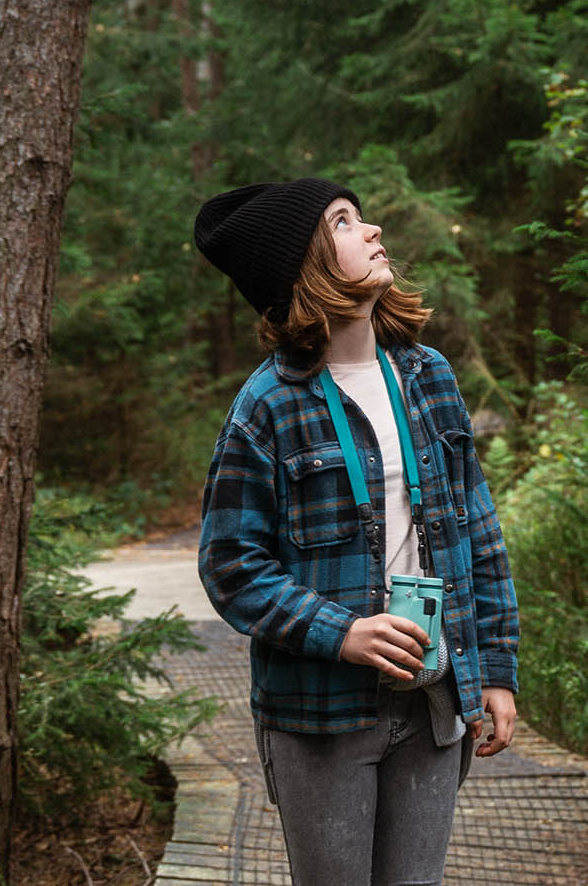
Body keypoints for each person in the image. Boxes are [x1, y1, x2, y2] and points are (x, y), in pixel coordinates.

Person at [193, 177, 519, 886]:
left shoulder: (428, 376)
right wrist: (342, 632)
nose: (372, 232)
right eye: (344, 223)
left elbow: (480, 534)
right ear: (304, 267)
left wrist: (495, 670)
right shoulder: (269, 405)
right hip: (321, 716)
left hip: (435, 698)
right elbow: (231, 566)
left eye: (363, 219)